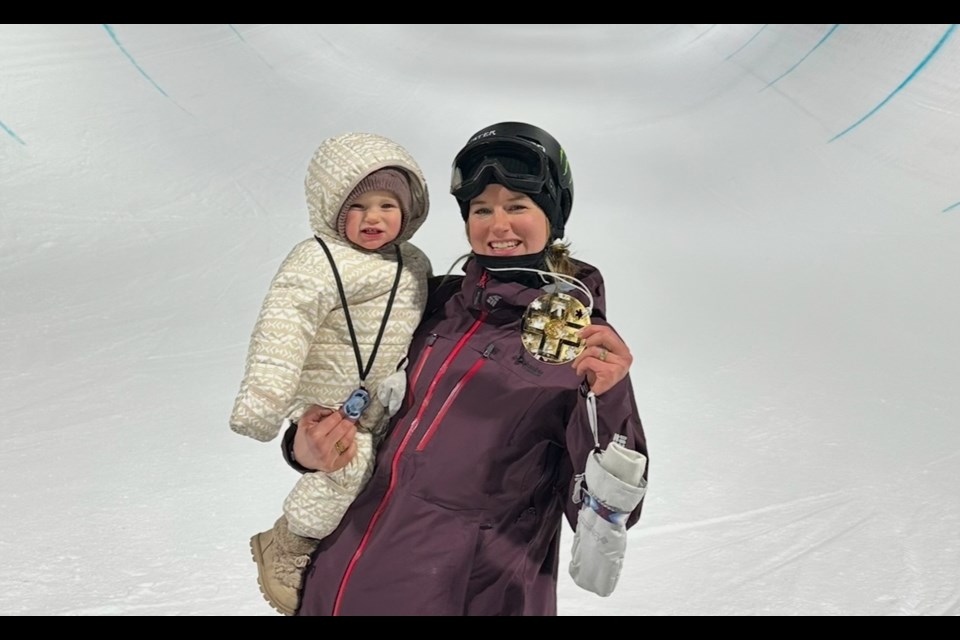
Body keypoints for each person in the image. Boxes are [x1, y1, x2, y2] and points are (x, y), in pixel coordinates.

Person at [282, 122, 648, 616]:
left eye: (518, 206)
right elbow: (347, 396)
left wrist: (610, 397)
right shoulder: (428, 301)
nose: (498, 226)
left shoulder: (581, 349)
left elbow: (604, 514)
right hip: (342, 585)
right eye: (482, 209)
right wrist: (303, 448)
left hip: (465, 596)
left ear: (553, 215)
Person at [229, 132, 432, 615]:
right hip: (325, 400)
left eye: (387, 204)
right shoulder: (315, 261)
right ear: (332, 207)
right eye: (358, 206)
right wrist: (263, 403)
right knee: (347, 465)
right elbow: (284, 326)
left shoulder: (414, 264)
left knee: (384, 474)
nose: (374, 218)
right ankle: (288, 544)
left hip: (380, 400)